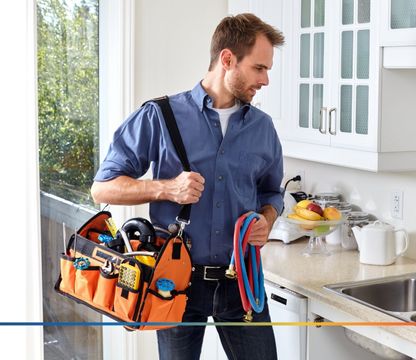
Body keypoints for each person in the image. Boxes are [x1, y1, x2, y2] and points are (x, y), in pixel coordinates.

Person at [91, 13, 285, 360]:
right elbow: (103, 188)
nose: (266, 79)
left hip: (240, 283)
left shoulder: (263, 128)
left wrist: (267, 219)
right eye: (259, 68)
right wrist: (166, 189)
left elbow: (272, 193)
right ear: (228, 59)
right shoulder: (159, 116)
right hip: (173, 281)